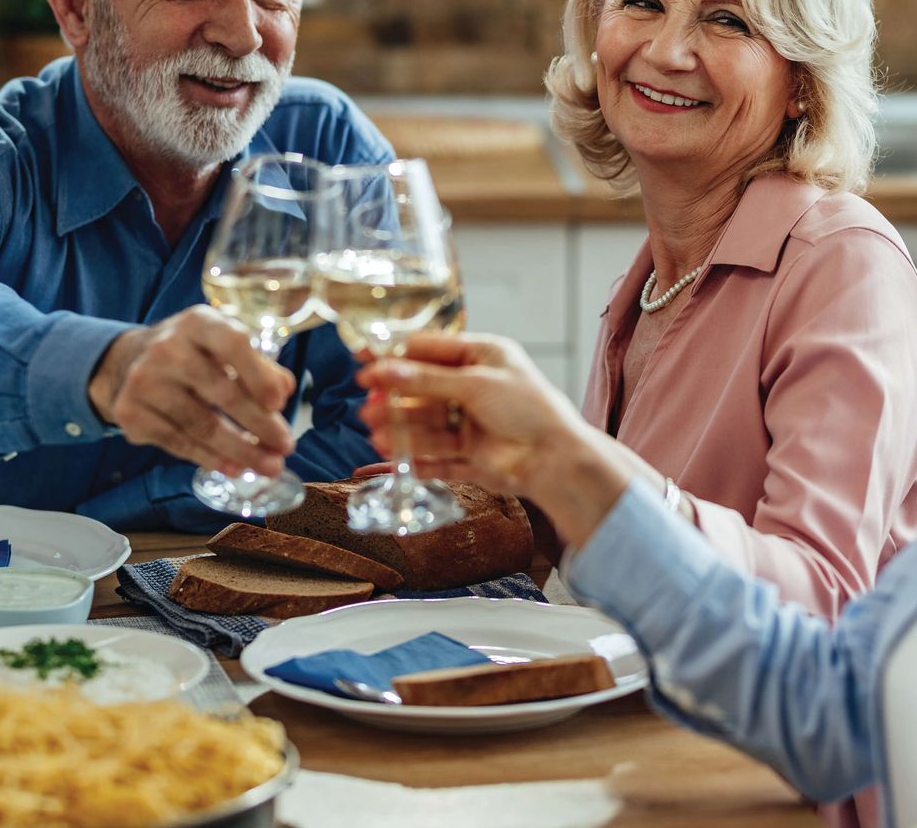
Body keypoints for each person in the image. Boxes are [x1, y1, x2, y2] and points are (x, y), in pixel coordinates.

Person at [0, 0, 391, 532]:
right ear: (76, 3)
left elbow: (390, 424)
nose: (243, 34)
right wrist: (108, 370)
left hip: (205, 602)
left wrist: (145, 508)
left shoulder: (321, 146)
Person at [541, 0, 917, 621]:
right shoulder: (653, 279)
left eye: (727, 19)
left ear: (802, 86)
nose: (668, 51)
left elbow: (821, 595)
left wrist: (580, 468)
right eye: (643, 2)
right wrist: (507, 491)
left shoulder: (840, 264)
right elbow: (619, 556)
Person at [356, 332, 915, 828]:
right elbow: (828, 707)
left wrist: (564, 464)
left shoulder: (841, 260)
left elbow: (823, 630)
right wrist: (552, 467)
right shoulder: (645, 282)